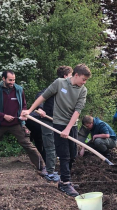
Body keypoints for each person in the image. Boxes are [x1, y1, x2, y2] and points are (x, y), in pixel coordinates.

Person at [21, 64, 91, 197]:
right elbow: (43, 97)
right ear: (76, 75)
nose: (84, 82)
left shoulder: (83, 90)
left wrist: (68, 128)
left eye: (86, 80)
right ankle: (65, 183)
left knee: (72, 154)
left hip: (71, 125)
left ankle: (66, 179)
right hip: (58, 123)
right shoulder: (59, 83)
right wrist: (29, 110)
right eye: (83, 79)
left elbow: (77, 111)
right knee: (63, 154)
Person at [0, 70, 52, 181]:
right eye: (10, 80)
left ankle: (43, 168)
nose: (12, 82)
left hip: (16, 123)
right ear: (3, 79)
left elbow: (24, 105)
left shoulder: (19, 89)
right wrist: (3, 116)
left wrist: (23, 114)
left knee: (28, 144)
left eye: (14, 80)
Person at [34, 65, 73, 181]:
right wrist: (40, 108)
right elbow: (40, 95)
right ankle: (50, 173)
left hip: (59, 121)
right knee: (50, 147)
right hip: (48, 120)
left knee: (59, 147)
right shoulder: (56, 85)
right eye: (71, 75)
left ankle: (57, 171)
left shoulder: (68, 89)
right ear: (65, 76)